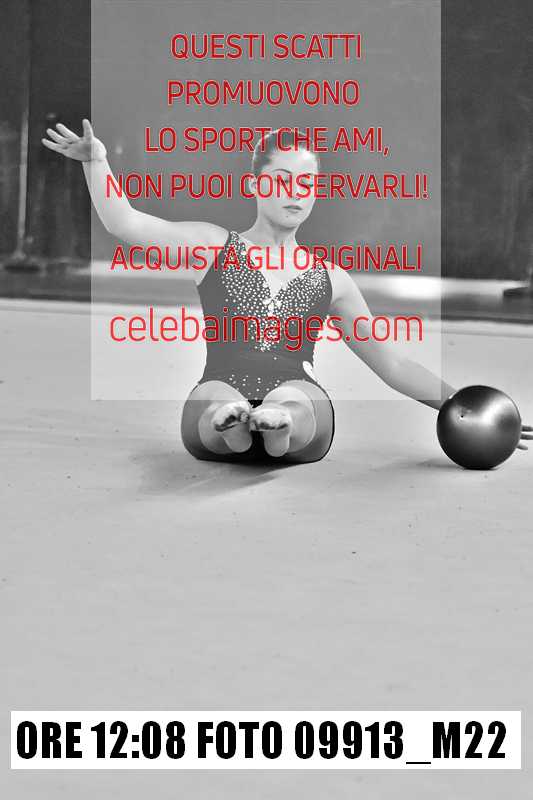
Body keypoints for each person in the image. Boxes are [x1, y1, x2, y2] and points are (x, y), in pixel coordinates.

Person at [42, 121, 532, 463]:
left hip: (299, 392)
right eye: (281, 180)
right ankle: (232, 425)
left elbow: (393, 364)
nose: (295, 192)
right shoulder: (213, 247)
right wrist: (96, 162)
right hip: (222, 382)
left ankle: (276, 425)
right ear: (254, 185)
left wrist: (460, 403)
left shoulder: (331, 278)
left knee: (294, 399)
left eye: (306, 183)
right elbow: (125, 223)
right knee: (216, 399)